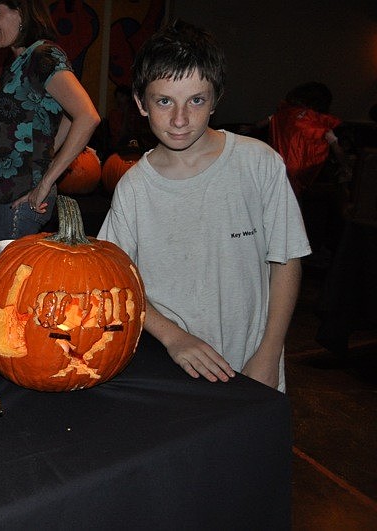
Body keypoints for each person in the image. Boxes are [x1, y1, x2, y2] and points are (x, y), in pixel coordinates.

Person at [97, 20, 311, 392]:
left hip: (252, 360)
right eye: (164, 101)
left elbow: (287, 259)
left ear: (216, 99)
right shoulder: (133, 187)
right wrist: (174, 337)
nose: (180, 119)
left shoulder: (259, 163)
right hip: (169, 365)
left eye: (196, 100)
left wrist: (270, 353)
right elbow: (116, 280)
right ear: (140, 103)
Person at [0, 0, 100, 262]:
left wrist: (44, 182)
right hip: (8, 196)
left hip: (20, 200)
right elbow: (69, 115)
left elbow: (86, 115)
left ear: (21, 12)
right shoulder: (22, 61)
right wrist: (45, 157)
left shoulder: (42, 56)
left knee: (8, 292)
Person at [268, 81, 351, 198]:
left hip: (281, 167)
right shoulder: (320, 121)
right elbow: (337, 149)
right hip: (299, 170)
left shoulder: (288, 116)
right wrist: (346, 166)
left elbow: (269, 120)